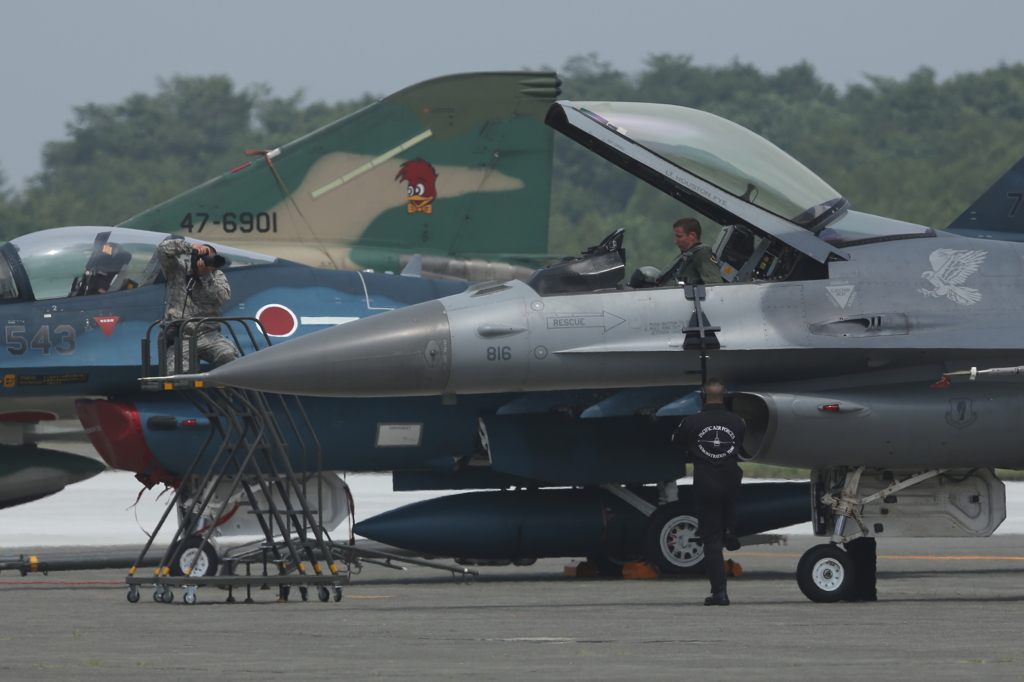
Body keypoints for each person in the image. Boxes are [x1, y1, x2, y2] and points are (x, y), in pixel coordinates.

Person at [673, 378, 743, 606]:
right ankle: (730, 529)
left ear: (703, 397)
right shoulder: (737, 422)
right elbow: (739, 444)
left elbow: (676, 442)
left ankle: (719, 593)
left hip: (706, 483)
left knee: (711, 540)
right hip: (731, 479)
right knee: (728, 499)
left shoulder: (692, 421)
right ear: (724, 397)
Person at [156, 238, 237, 373]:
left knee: (228, 356)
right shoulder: (178, 269)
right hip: (181, 337)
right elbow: (161, 249)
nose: (208, 263)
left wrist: (205, 277)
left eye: (211, 260)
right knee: (177, 372)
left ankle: (226, 393)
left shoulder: (216, 275)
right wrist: (191, 247)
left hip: (209, 334)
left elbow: (222, 299)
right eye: (204, 258)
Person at [665, 217, 723, 286]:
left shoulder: (703, 256)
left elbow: (715, 287)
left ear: (692, 236)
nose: (675, 241)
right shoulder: (686, 256)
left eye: (679, 237)